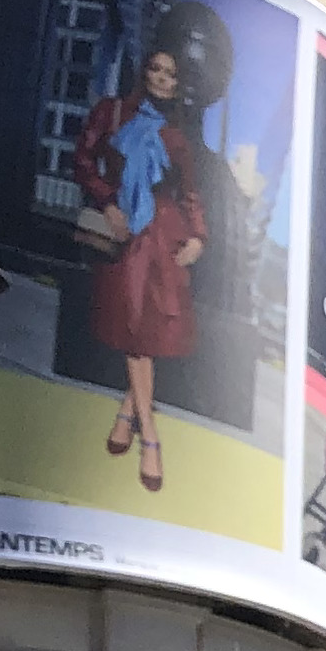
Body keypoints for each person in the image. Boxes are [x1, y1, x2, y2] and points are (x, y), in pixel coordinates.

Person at [74, 38, 211, 492]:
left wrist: (197, 237)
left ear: (178, 86)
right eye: (156, 69)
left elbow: (190, 193)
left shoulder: (179, 137)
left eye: (171, 75)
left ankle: (128, 415)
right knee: (138, 331)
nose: (161, 79)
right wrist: (108, 202)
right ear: (145, 72)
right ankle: (150, 437)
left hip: (165, 238)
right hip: (128, 232)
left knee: (149, 333)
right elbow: (84, 159)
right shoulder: (113, 113)